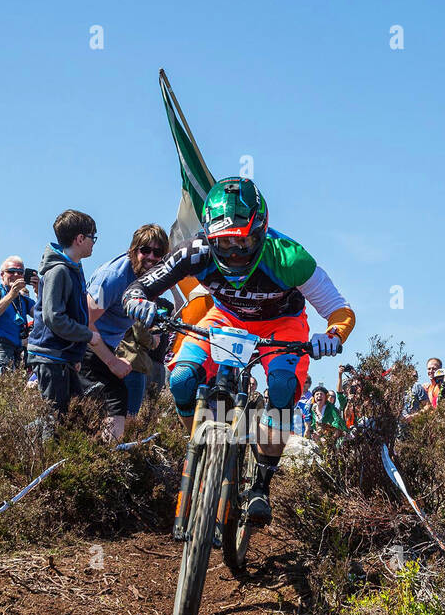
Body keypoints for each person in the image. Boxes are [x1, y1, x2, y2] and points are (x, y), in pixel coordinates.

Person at [123, 178, 354, 526]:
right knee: (182, 379)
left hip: (282, 325)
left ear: (261, 229)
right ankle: (202, 447)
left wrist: (333, 335)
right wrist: (138, 301)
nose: (232, 251)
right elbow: (140, 286)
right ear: (208, 235)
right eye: (223, 243)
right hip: (226, 319)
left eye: (242, 240)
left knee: (280, 390)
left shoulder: (289, 258)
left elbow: (339, 310)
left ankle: (261, 483)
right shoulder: (194, 251)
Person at [84, 224, 172, 439]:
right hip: (83, 348)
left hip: (104, 347)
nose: (151, 257)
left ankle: (100, 458)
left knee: (110, 406)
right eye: (145, 250)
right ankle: (104, 460)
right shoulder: (113, 278)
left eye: (158, 253)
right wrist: (111, 361)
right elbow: (84, 322)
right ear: (133, 251)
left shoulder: (148, 279)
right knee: (114, 402)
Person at [27, 211, 101, 413]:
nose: (94, 243)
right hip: (50, 358)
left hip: (62, 357)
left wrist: (74, 355)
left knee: (73, 419)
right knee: (54, 423)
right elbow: (54, 317)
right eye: (92, 237)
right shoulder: (59, 271)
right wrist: (88, 335)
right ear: (80, 239)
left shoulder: (73, 269)